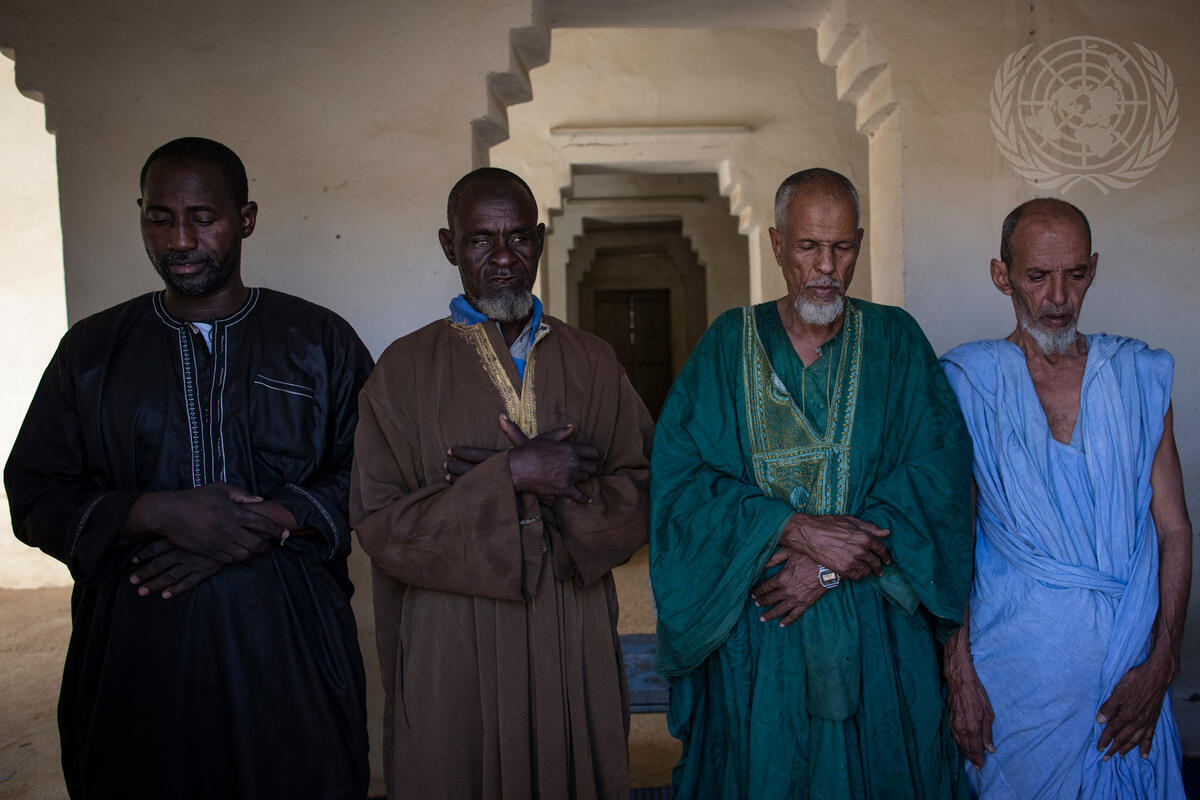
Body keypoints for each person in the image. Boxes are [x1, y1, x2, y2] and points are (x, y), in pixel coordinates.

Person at [4, 137, 373, 799]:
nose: (179, 239)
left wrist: (260, 522)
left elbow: (374, 474)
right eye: (160, 218)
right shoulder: (91, 352)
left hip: (289, 654)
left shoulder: (319, 341)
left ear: (245, 219)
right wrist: (156, 512)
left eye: (203, 218)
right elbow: (35, 491)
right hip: (136, 658)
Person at [649, 168, 974, 799]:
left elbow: (938, 478)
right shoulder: (726, 347)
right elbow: (680, 488)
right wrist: (793, 529)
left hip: (879, 636)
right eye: (807, 246)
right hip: (760, 632)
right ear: (777, 244)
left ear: (859, 244)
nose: (826, 266)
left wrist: (825, 567)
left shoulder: (897, 342)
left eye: (842, 247)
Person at [350, 167, 654, 799]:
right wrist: (512, 475)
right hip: (451, 639)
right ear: (449, 246)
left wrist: (565, 489)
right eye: (480, 240)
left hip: (570, 625)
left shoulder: (594, 361)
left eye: (518, 237)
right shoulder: (403, 370)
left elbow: (644, 488)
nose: (503, 257)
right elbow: (381, 524)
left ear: (539, 241)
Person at [940, 198, 1191, 798]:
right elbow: (953, 541)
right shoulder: (967, 381)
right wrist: (959, 674)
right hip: (1011, 682)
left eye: (1075, 275)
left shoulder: (1136, 375)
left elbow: (1175, 530)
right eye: (1037, 277)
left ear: (1093, 269)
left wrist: (1163, 662)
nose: (1058, 298)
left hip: (1130, 673)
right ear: (1001, 276)